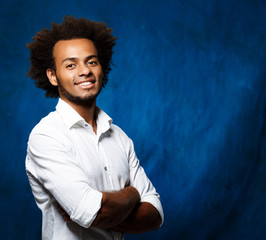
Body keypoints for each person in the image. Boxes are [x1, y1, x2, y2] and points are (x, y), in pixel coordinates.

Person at [25, 16, 164, 240]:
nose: (84, 71)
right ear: (53, 76)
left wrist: (104, 209)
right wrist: (133, 194)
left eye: (91, 62)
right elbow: (91, 212)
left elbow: (155, 215)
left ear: (101, 67)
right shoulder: (47, 136)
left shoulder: (119, 137)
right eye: (71, 65)